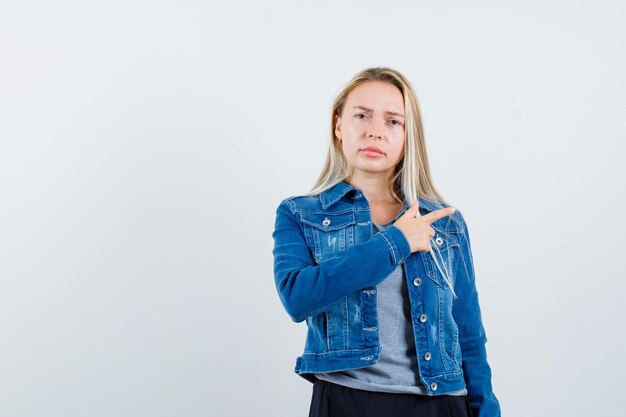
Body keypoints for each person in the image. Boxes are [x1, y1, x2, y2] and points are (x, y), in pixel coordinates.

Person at [271, 67, 501, 417]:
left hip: (441, 403)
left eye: (393, 121)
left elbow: (469, 334)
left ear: (409, 135)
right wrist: (395, 242)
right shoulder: (300, 213)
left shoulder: (446, 223)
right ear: (338, 126)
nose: (375, 131)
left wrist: (487, 411)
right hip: (347, 400)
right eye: (362, 115)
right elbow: (298, 298)